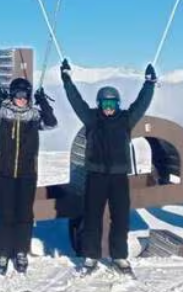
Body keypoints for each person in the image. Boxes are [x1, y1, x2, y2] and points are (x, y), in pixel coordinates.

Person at [61, 59, 155, 276]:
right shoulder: (92, 119)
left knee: (120, 217)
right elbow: (76, 102)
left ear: (118, 104)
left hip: (119, 177)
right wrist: (67, 80)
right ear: (100, 104)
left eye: (112, 104)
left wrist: (149, 83)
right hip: (95, 176)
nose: (109, 109)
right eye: (105, 104)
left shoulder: (126, 119)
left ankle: (119, 256)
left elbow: (141, 104)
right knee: (92, 217)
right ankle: (91, 257)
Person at [0, 78, 57, 276]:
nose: (21, 99)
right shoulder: (3, 113)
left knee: (25, 215)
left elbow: (51, 123)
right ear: (12, 95)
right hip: (5, 173)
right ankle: (2, 254)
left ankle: (21, 252)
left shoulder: (34, 115)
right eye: (18, 95)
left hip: (28, 174)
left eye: (25, 95)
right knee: (5, 215)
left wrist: (43, 102)